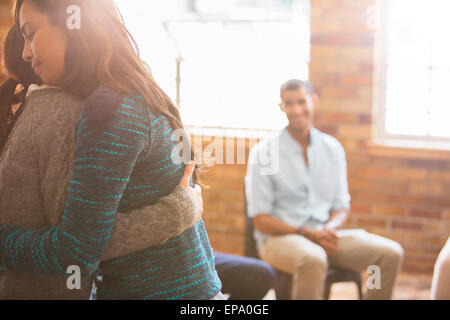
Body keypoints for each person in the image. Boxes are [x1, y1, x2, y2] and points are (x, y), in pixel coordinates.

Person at [0, 0, 223, 300]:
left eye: (31, 33)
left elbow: (75, 253)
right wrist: (179, 210)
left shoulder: (110, 110)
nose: (26, 53)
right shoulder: (135, 91)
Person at [245, 79, 404, 300]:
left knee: (389, 254)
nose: (296, 109)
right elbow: (261, 220)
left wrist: (329, 229)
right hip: (279, 240)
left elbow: (341, 206)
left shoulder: (333, 149)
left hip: (324, 235)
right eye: (289, 103)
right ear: (281, 107)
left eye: (301, 101)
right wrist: (306, 232)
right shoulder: (264, 153)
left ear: (314, 101)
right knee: (313, 258)